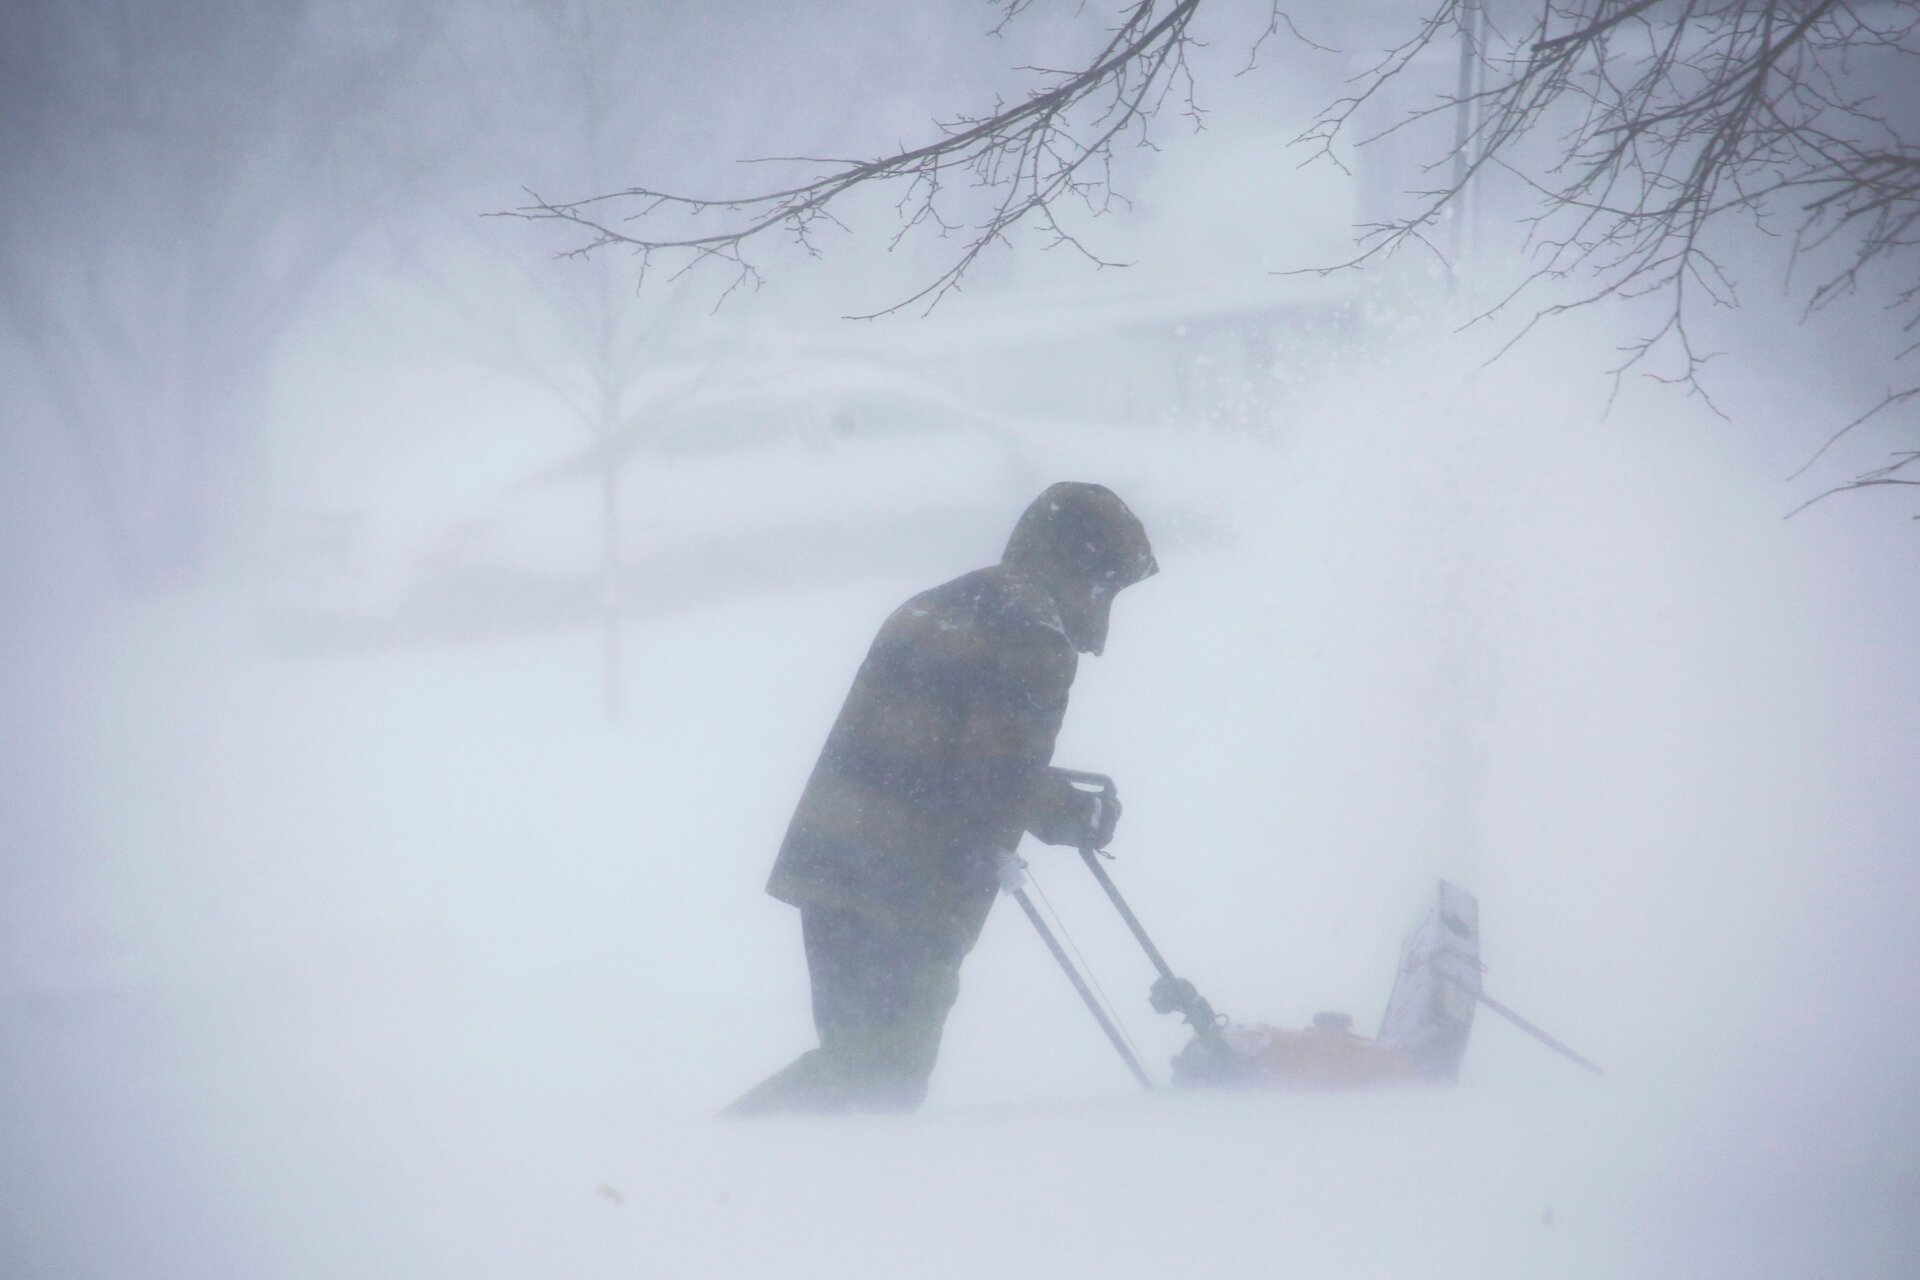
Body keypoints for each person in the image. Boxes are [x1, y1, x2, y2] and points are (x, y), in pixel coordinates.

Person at [725, 482, 1158, 1115]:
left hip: (834, 862)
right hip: (910, 884)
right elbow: (995, 776)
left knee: (857, 1065)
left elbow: (950, 747)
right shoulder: (1033, 631)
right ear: (1084, 566)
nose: (1106, 600)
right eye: (1109, 581)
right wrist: (1075, 814)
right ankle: (717, 1163)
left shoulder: (942, 603)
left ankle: (760, 1179)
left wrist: (1042, 793)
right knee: (879, 1078)